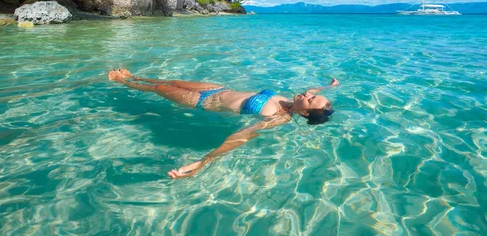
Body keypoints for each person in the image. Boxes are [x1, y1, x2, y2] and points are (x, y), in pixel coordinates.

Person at [108, 69, 338, 179]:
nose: (306, 94)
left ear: (306, 114)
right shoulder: (297, 99)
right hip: (216, 88)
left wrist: (203, 161)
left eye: (309, 100)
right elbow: (312, 90)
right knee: (172, 81)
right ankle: (135, 77)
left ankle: (122, 82)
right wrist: (329, 87)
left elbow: (240, 137)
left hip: (202, 101)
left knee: (159, 89)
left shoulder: (279, 117)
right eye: (309, 95)